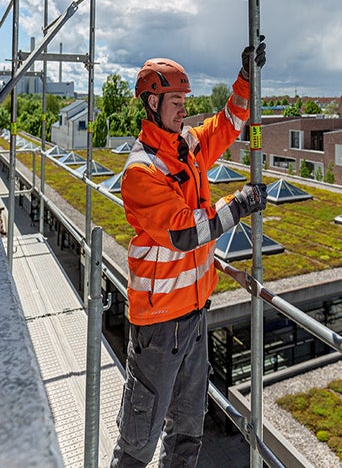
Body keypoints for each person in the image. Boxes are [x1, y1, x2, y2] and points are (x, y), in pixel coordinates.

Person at [110, 40, 267, 467]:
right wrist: (239, 204)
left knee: (186, 436)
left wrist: (246, 79)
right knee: (137, 445)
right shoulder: (141, 172)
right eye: (176, 102)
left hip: (195, 317)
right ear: (152, 102)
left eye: (185, 101)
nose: (184, 109)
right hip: (159, 326)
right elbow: (184, 231)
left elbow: (229, 122)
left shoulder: (188, 147)